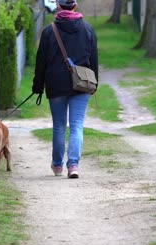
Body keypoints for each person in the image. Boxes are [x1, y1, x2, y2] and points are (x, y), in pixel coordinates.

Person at [32, 0, 98, 178]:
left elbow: (41, 63)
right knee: (77, 126)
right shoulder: (88, 29)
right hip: (82, 83)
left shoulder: (49, 31)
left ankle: (57, 165)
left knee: (59, 127)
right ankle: (74, 166)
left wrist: (37, 87)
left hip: (56, 84)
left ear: (59, 7)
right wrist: (94, 83)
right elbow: (94, 59)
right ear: (75, 6)